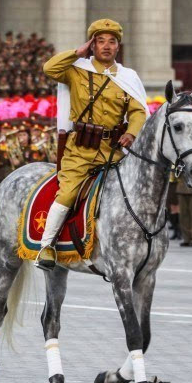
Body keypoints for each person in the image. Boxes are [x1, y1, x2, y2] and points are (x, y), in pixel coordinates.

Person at [37, 19, 148, 270]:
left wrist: (131, 133)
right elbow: (49, 69)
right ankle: (46, 246)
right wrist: (76, 53)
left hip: (114, 151)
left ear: (118, 46)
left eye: (112, 41)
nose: (106, 46)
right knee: (68, 193)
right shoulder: (76, 70)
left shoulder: (127, 77)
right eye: (100, 41)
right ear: (92, 45)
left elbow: (139, 111)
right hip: (81, 150)